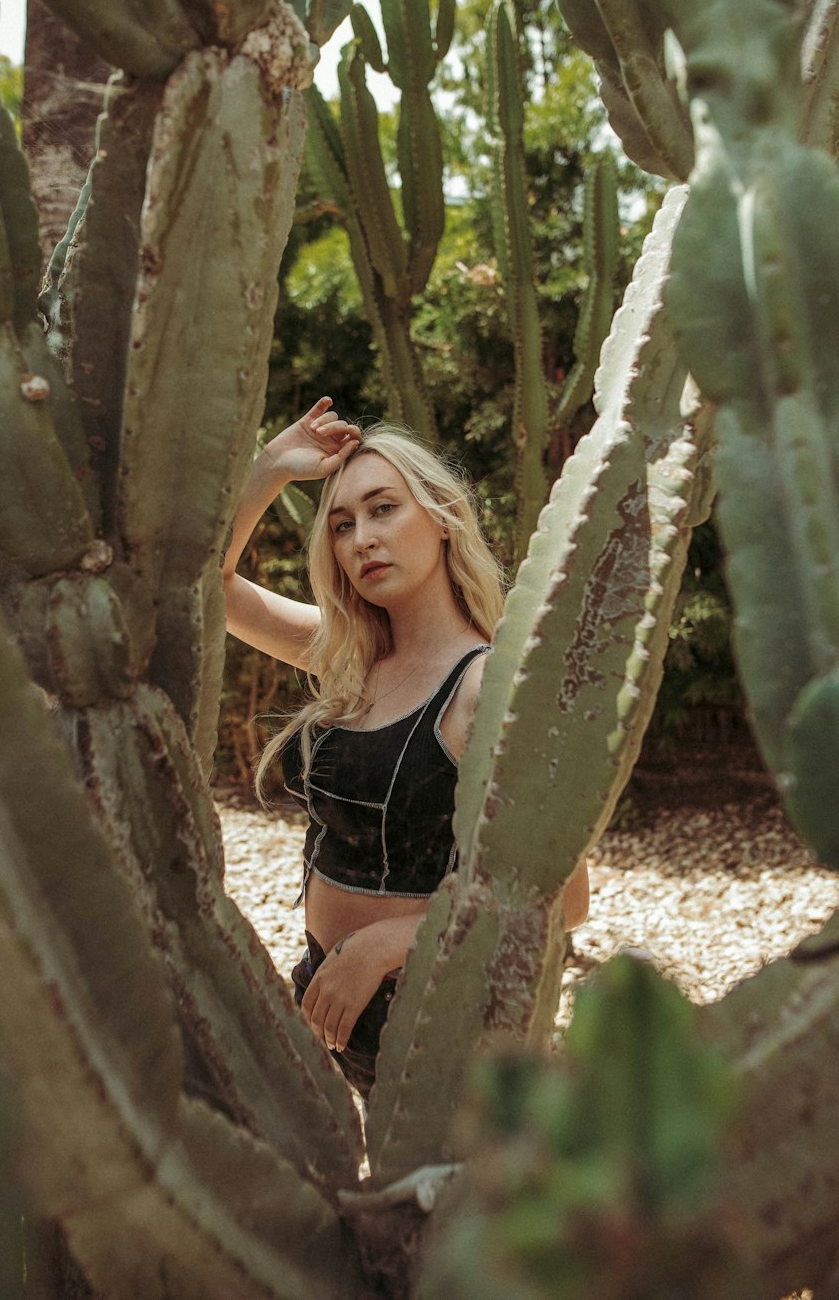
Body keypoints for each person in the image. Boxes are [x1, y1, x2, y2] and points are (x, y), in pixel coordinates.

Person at [223, 397, 589, 1097]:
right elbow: (208, 586)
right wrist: (271, 468)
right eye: (342, 524)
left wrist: (389, 943)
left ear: (443, 518)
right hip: (330, 995)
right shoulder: (348, 659)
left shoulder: (492, 686)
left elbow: (562, 901)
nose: (362, 537)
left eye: (384, 508)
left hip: (433, 1020)